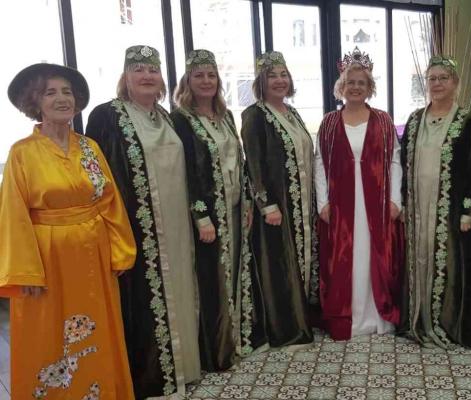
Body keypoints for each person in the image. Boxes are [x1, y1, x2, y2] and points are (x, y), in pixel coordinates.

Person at [0, 63, 136, 399]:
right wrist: (24, 271)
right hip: (47, 260)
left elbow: (110, 201)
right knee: (48, 333)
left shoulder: (89, 148)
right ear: (35, 102)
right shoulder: (21, 153)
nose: (62, 98)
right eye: (51, 92)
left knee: (98, 328)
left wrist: (120, 250)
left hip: (93, 257)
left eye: (67, 92)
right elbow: (13, 214)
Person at [85, 45, 200, 398]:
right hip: (135, 229)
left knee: (181, 290)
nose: (147, 76)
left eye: (152, 70)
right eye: (138, 70)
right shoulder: (106, 116)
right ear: (125, 77)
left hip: (176, 225)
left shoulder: (167, 116)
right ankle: (150, 377)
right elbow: (96, 178)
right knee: (141, 301)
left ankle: (183, 368)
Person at [171, 49, 269, 370]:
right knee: (213, 279)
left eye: (211, 75)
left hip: (235, 208)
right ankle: (217, 349)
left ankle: (238, 335)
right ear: (187, 81)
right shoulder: (181, 120)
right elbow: (187, 171)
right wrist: (201, 215)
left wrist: (249, 201)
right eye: (199, 75)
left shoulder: (225, 116)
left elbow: (239, 161)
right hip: (210, 214)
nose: (206, 81)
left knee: (237, 272)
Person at [400, 55, 471, 350]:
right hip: (418, 206)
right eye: (432, 79)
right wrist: (403, 202)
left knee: (449, 263)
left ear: (455, 83)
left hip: (450, 208)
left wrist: (469, 209)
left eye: (444, 78)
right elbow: (404, 164)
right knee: (419, 259)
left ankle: (446, 323)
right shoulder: (415, 120)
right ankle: (418, 318)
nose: (437, 84)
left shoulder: (467, 120)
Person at [315, 47, 402, 340]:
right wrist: (323, 202)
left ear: (369, 87)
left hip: (376, 203)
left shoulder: (383, 120)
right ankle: (348, 317)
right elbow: (319, 163)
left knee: (373, 258)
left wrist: (395, 199)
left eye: (361, 83)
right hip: (341, 205)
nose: (355, 87)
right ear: (341, 86)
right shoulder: (329, 122)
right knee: (345, 260)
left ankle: (377, 316)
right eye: (350, 82)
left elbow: (395, 161)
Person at [240, 51, 316, 349]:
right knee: (279, 263)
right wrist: (267, 204)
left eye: (283, 75)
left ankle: (302, 316)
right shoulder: (255, 115)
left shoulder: (292, 113)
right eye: (272, 76)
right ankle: (285, 326)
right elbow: (254, 162)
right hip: (276, 206)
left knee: (299, 259)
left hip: (301, 202)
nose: (280, 81)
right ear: (261, 81)